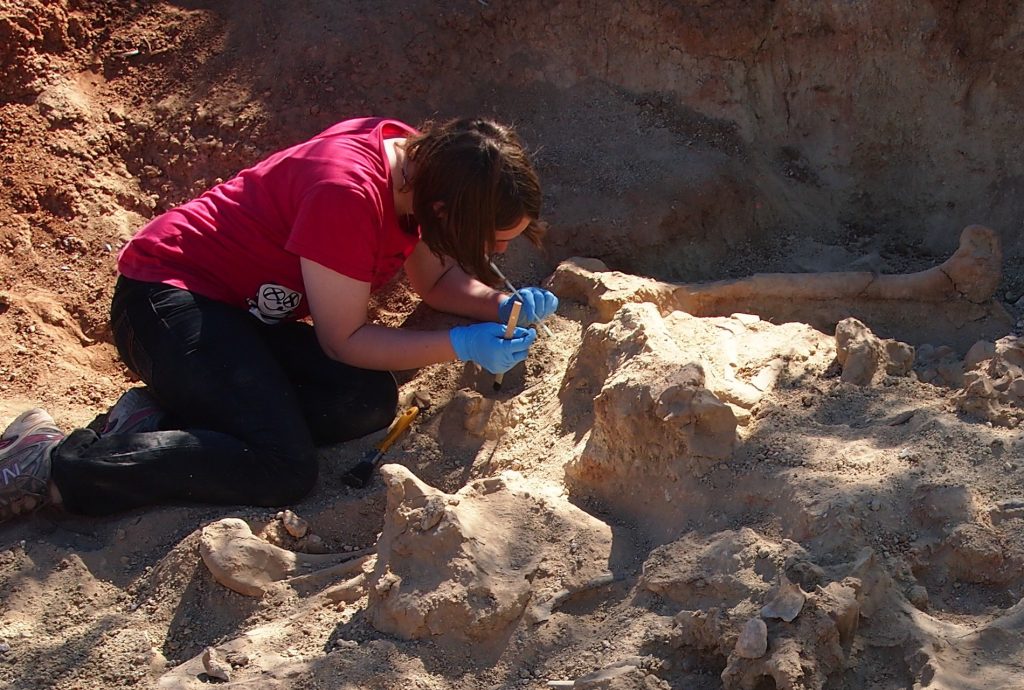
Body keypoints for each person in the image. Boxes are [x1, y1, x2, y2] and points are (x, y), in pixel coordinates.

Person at [0, 116, 558, 522]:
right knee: (282, 468)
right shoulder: (348, 194)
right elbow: (344, 340)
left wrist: (499, 304)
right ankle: (59, 465)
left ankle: (160, 416)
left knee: (365, 401)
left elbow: (433, 280)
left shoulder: (425, 168)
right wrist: (461, 344)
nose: (497, 255)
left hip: (240, 317)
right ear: (444, 210)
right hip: (167, 301)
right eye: (490, 240)